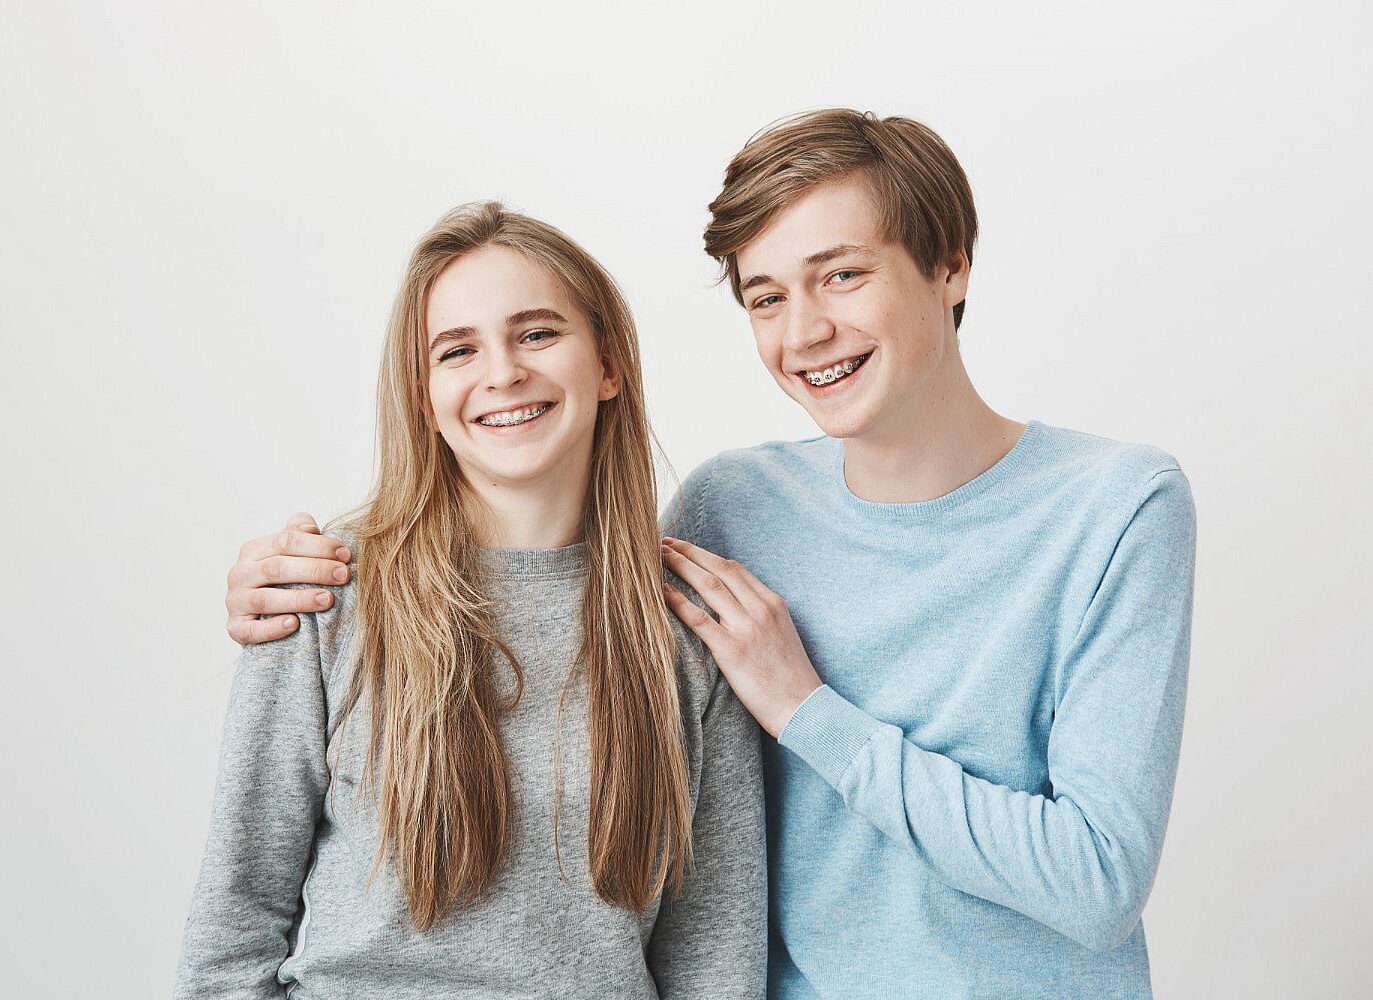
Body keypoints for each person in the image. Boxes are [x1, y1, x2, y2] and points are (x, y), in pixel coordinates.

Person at [224, 110, 1196, 999]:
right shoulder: (729, 511)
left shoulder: (1113, 505)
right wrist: (294, 583)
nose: (803, 330)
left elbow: (1096, 878)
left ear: (950, 265)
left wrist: (804, 708)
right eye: (764, 297)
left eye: (840, 274)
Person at [178, 202, 766, 999]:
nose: (502, 373)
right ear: (423, 396)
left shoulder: (689, 631)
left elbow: (713, 960)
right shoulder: (324, 597)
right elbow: (230, 933)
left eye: (537, 334)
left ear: (607, 364)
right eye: (457, 350)